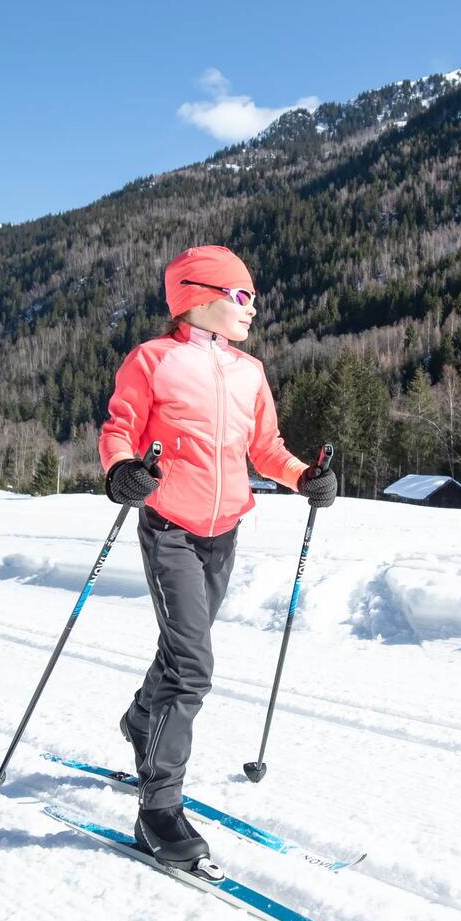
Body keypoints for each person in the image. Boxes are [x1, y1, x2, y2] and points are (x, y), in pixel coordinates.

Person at [99, 245, 336, 870]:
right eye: (241, 296)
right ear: (199, 298)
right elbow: (119, 426)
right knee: (193, 666)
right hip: (169, 525)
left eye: (252, 297)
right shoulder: (153, 360)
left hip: (224, 530)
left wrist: (304, 476)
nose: (252, 308)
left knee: (184, 647)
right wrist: (121, 468)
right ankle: (158, 807)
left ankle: (139, 720)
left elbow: (266, 448)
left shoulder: (250, 372)